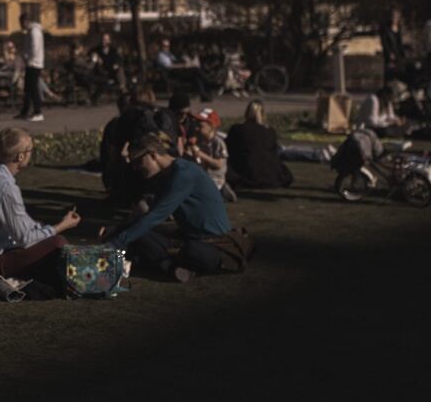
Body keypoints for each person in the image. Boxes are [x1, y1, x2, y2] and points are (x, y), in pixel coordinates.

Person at [0, 127, 81, 292]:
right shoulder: (5, 187)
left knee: (45, 236)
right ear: (21, 156)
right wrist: (61, 226)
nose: (31, 153)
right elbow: (25, 238)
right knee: (58, 243)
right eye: (30, 150)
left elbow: (22, 226)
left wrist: (43, 229)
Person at [104, 133, 232, 283]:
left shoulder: (183, 174)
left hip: (212, 244)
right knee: (136, 232)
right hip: (189, 236)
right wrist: (116, 231)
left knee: (191, 251)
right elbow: (148, 212)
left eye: (138, 162)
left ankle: (165, 265)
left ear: (152, 155)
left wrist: (115, 243)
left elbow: (156, 216)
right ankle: (170, 267)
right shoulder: (168, 174)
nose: (137, 168)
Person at [226, 99, 293, 189]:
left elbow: (228, 150)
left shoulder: (237, 129)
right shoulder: (269, 131)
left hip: (245, 174)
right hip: (269, 176)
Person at [184, 108, 234, 202]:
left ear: (211, 127)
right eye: (196, 125)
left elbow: (219, 164)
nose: (196, 128)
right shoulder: (198, 140)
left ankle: (223, 189)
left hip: (215, 178)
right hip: (202, 176)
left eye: (200, 126)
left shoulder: (218, 143)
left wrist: (201, 155)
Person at [17, 13, 45, 122]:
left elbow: (35, 48)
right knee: (28, 88)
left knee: (33, 88)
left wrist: (28, 58)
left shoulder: (34, 31)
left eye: (21, 23)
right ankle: (25, 111)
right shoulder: (30, 31)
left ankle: (38, 112)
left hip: (34, 63)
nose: (20, 26)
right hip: (31, 63)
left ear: (25, 21)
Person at [380, 9, 408, 81]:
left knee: (400, 72)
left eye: (396, 17)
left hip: (399, 53)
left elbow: (400, 42)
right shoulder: (385, 28)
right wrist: (389, 53)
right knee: (390, 72)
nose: (394, 18)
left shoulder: (399, 28)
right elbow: (384, 42)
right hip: (390, 53)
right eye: (393, 16)